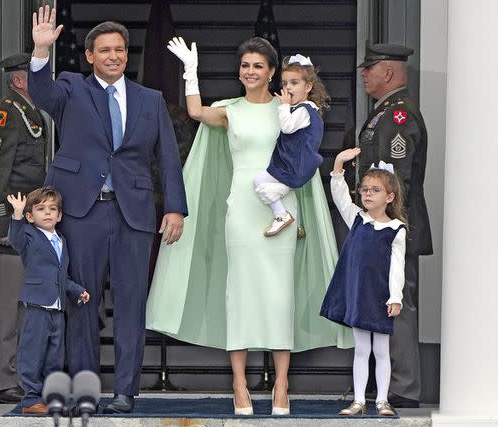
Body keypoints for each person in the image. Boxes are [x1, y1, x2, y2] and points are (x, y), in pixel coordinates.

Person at [147, 36, 351, 416]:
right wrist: (191, 71)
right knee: (237, 294)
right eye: (245, 65)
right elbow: (194, 113)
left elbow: (306, 149)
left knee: (279, 295)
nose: (251, 71)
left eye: (259, 66)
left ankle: (282, 386)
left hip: (281, 206)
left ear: (273, 72)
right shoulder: (230, 110)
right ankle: (239, 385)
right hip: (241, 207)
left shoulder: (289, 107)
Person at [28, 6, 188, 414]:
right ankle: (85, 390)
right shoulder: (70, 87)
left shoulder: (150, 99)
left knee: (132, 303)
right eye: (105, 50)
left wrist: (175, 209)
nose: (114, 56)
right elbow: (42, 96)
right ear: (89, 56)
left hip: (133, 214)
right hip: (83, 213)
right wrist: (41, 52)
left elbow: (168, 158)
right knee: (82, 303)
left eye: (120, 49)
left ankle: (125, 392)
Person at [356, 43, 432, 408]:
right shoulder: (383, 113)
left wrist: (385, 226)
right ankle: (387, 383)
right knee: (384, 304)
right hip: (381, 228)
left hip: (395, 227)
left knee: (398, 304)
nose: (363, 74)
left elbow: (396, 179)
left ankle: (403, 388)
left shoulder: (399, 116)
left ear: (388, 72)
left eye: (369, 68)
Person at [0, 53, 48, 404]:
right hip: (6, 228)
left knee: (20, 308)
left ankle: (12, 376)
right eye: (36, 76)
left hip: (25, 226)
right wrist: (4, 225)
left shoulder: (29, 114)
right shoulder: (4, 115)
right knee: (2, 310)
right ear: (19, 80)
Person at [320, 149, 407, 416]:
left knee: (381, 349)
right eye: (364, 189)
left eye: (375, 190)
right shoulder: (357, 219)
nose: (367, 194)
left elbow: (397, 267)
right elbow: (340, 196)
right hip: (358, 294)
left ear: (389, 197)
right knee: (361, 348)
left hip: (380, 297)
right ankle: (358, 400)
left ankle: (382, 400)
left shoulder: (396, 229)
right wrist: (338, 165)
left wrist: (395, 297)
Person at [6, 188, 90, 414]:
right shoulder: (29, 236)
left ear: (60, 216)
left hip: (57, 309)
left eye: (53, 209)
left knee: (54, 356)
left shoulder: (61, 240)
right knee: (32, 354)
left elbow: (62, 275)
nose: (48, 213)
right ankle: (31, 399)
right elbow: (15, 240)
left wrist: (76, 291)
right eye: (41, 209)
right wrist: (16, 214)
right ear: (30, 217)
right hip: (37, 307)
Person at [253, 53, 330, 237]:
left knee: (260, 182)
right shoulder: (305, 109)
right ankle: (293, 220)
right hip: (294, 163)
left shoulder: (305, 110)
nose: (288, 88)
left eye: (294, 83)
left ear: (308, 86)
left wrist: (283, 106)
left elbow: (287, 128)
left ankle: (281, 214)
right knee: (266, 184)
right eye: (285, 83)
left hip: (295, 165)